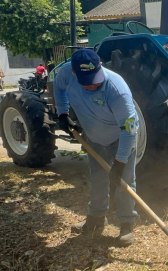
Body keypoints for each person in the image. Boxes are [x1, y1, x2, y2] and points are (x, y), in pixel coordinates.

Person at [53, 49, 140, 245]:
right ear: (74, 73)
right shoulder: (65, 74)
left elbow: (129, 129)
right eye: (88, 80)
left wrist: (120, 161)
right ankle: (95, 219)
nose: (94, 83)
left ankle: (126, 224)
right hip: (94, 138)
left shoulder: (116, 89)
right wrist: (63, 113)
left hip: (121, 139)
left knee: (125, 182)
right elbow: (58, 88)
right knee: (98, 179)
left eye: (95, 77)